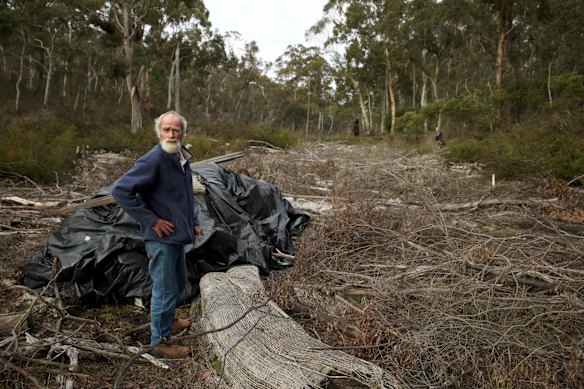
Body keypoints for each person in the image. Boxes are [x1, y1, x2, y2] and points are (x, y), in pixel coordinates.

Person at [112, 111, 202, 359]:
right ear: (159, 132)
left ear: (183, 132)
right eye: (166, 130)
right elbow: (121, 191)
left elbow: (183, 195)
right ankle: (160, 342)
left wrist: (192, 221)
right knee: (164, 289)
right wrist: (151, 220)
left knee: (177, 281)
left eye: (176, 130)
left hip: (177, 236)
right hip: (161, 240)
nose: (172, 134)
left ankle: (169, 320)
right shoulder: (154, 159)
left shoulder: (180, 156)